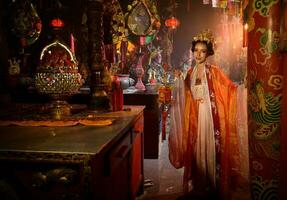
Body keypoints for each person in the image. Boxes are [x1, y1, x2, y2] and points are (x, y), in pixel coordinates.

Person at [169, 30, 243, 199]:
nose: (199, 54)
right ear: (193, 51)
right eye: (196, 50)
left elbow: (228, 88)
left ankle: (212, 183)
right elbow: (185, 95)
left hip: (209, 116)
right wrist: (179, 81)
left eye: (202, 51)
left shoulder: (214, 71)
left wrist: (240, 89)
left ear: (208, 53)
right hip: (194, 117)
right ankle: (199, 183)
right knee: (196, 148)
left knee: (211, 145)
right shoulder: (189, 73)